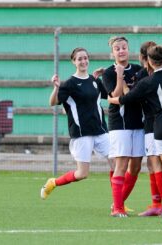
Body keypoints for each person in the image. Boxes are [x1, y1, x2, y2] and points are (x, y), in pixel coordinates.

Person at [108, 45, 162, 218]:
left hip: (160, 128)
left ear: (149, 61)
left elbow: (127, 98)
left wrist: (112, 99)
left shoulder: (148, 81)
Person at [40, 47, 110, 201]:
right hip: (81, 133)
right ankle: (53, 182)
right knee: (82, 174)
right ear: (74, 62)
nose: (83, 61)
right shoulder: (69, 84)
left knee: (118, 165)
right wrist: (56, 88)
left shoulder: (94, 80)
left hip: (101, 130)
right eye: (79, 59)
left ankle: (118, 204)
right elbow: (53, 102)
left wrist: (101, 77)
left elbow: (108, 95)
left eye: (85, 58)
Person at [99, 36, 145, 217]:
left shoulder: (138, 69)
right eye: (117, 48)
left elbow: (139, 93)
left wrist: (130, 90)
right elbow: (115, 95)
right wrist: (120, 77)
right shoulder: (109, 72)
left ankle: (117, 203)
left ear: (128, 49)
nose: (121, 51)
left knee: (136, 167)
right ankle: (118, 208)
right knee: (122, 164)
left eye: (124, 47)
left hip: (139, 123)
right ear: (112, 52)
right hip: (120, 124)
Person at [136, 41, 162, 216]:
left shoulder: (144, 76)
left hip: (154, 124)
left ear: (143, 58)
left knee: (155, 163)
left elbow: (133, 97)